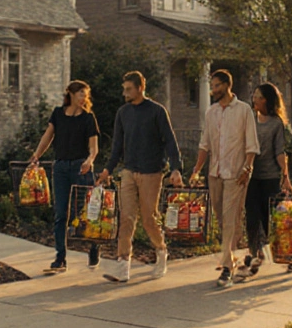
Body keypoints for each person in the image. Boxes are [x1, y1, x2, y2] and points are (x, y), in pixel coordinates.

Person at [95, 71, 183, 283]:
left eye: (128, 89)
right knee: (126, 217)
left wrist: (176, 168)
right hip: (128, 171)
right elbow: (117, 145)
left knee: (148, 218)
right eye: (124, 89)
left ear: (140, 88)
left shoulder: (157, 112)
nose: (124, 93)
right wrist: (107, 169)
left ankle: (161, 251)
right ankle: (123, 264)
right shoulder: (123, 113)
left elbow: (170, 141)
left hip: (152, 172)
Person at [191, 69, 260, 288]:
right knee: (222, 219)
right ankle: (233, 255)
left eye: (217, 86)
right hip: (215, 173)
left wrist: (247, 168)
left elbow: (251, 144)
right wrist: (196, 170)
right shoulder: (211, 112)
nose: (213, 90)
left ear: (227, 86)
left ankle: (227, 269)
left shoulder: (244, 111)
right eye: (212, 86)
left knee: (231, 218)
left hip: (236, 174)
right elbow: (205, 144)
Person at [28, 80, 102, 274]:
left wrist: (90, 159)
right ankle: (60, 258)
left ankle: (94, 246)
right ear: (70, 94)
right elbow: (48, 136)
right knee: (61, 214)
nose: (84, 98)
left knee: (84, 213)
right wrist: (36, 155)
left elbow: (94, 147)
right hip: (60, 167)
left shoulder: (88, 118)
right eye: (80, 94)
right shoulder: (58, 114)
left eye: (86, 95)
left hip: (81, 167)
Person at [235, 82, 292, 282]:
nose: (254, 99)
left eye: (258, 96)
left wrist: (285, 176)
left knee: (271, 219)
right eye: (254, 96)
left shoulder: (276, 123)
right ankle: (254, 252)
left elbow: (279, 151)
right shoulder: (250, 119)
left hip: (270, 177)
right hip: (251, 176)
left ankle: (285, 254)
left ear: (267, 100)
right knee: (252, 216)